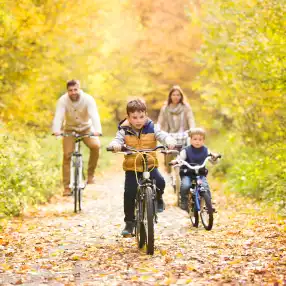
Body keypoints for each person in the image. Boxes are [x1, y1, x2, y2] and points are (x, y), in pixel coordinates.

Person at [108, 99, 176, 236]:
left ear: (146, 115)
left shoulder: (152, 127)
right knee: (129, 193)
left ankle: (158, 198)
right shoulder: (124, 130)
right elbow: (117, 140)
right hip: (132, 167)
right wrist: (115, 145)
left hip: (149, 165)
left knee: (161, 182)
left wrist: (168, 140)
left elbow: (162, 135)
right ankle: (129, 222)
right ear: (128, 118)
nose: (138, 120)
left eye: (141, 117)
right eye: (134, 117)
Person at [52, 79, 102, 196]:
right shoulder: (63, 101)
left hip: (86, 128)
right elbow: (58, 117)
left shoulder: (88, 99)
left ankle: (90, 175)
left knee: (95, 146)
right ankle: (66, 187)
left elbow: (94, 115)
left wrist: (98, 130)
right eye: (70, 90)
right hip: (70, 129)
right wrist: (56, 131)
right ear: (67, 91)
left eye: (75, 89)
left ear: (79, 89)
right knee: (67, 155)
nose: (73, 92)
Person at [171, 128, 219, 211]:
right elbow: (180, 158)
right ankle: (184, 201)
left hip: (200, 174)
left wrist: (214, 157)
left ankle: (209, 204)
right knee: (185, 185)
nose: (197, 141)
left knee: (205, 186)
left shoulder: (206, 150)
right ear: (190, 140)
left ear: (203, 140)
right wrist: (176, 161)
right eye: (195, 139)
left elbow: (213, 161)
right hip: (187, 173)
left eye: (200, 139)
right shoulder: (186, 150)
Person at [157, 85, 195, 172]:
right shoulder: (165, 108)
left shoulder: (186, 107)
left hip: (183, 133)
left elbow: (191, 119)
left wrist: (192, 129)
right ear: (170, 96)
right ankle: (168, 168)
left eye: (178, 95)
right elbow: (160, 121)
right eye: (174, 95)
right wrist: (158, 129)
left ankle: (187, 167)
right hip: (169, 134)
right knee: (168, 148)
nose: (176, 97)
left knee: (188, 146)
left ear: (181, 96)